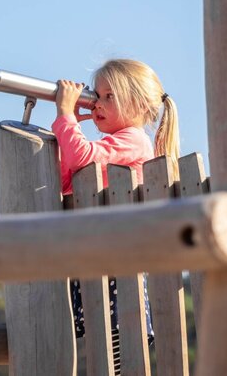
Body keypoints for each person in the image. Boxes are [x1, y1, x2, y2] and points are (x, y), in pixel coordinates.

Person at [52, 58, 180, 356]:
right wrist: (69, 119)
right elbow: (67, 182)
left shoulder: (133, 140)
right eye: (96, 96)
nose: (97, 104)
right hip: (102, 256)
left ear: (139, 105)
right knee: (103, 345)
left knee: (118, 346)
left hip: (116, 260)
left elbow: (83, 157)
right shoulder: (113, 147)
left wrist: (64, 117)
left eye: (110, 96)